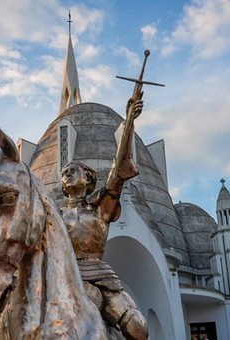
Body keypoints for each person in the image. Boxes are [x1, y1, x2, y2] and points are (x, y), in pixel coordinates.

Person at [60, 98, 148, 340]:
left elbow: (117, 170)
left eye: (73, 171)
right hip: (63, 279)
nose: (67, 174)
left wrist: (129, 121)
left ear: (88, 180)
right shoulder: (53, 216)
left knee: (139, 329)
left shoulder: (100, 210)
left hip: (100, 280)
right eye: (64, 173)